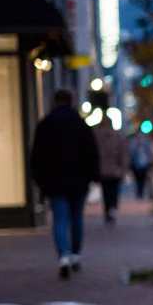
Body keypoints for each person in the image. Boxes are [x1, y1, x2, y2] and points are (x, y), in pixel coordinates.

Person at [30, 89, 99, 279]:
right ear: (72, 101)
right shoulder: (81, 125)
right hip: (79, 179)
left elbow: (37, 155)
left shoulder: (45, 125)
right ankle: (76, 254)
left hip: (54, 181)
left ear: (54, 101)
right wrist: (93, 175)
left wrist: (38, 179)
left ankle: (63, 256)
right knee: (77, 217)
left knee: (59, 218)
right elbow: (92, 152)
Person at [93, 113, 129, 223]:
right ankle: (111, 209)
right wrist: (123, 168)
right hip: (113, 170)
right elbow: (124, 154)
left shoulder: (97, 135)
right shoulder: (117, 135)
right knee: (112, 192)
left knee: (107, 192)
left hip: (105, 170)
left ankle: (109, 210)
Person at [128, 130, 153, 199]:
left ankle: (141, 192)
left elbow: (150, 152)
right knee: (137, 179)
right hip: (136, 164)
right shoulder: (133, 142)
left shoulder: (146, 142)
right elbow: (131, 152)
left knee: (142, 179)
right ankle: (138, 192)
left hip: (144, 164)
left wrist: (151, 161)